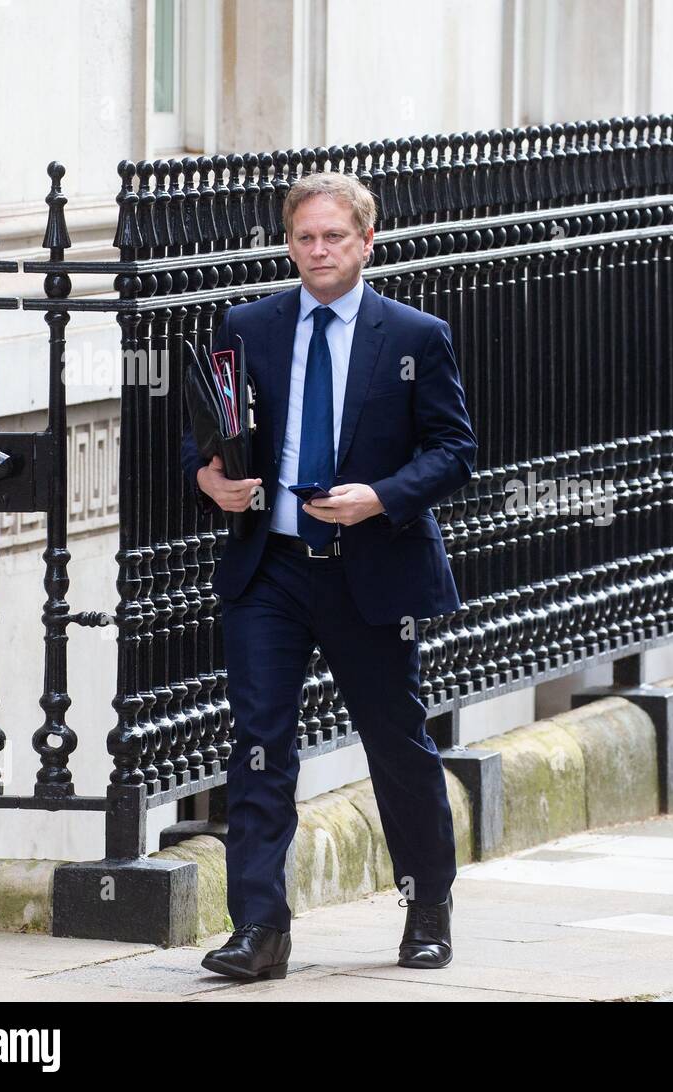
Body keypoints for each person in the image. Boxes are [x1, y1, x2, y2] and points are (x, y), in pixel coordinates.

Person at [180, 171, 476, 978]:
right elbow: (204, 432)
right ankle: (260, 932)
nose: (318, 250)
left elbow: (455, 452)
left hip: (368, 573)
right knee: (260, 745)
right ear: (290, 243)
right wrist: (209, 478)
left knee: (396, 745)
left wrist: (381, 497)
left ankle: (427, 909)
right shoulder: (247, 326)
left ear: (366, 242)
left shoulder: (415, 335)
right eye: (305, 237)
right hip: (270, 570)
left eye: (333, 237)